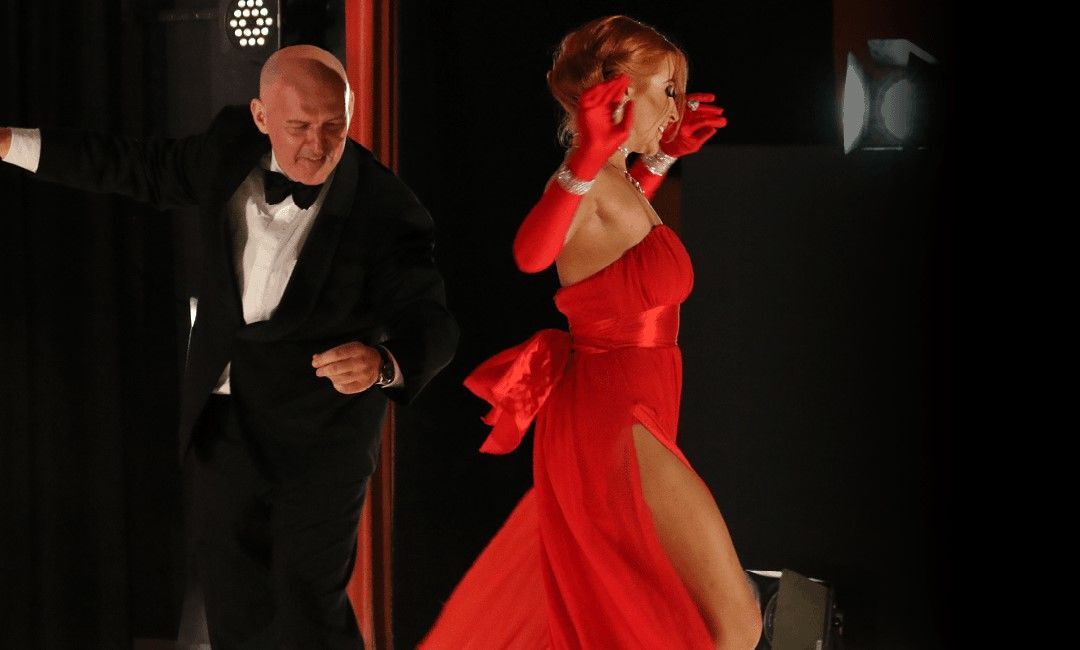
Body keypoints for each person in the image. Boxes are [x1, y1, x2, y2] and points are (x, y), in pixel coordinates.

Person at [0, 45, 457, 648]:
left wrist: (385, 364)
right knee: (233, 601)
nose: (317, 145)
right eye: (299, 126)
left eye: (333, 125)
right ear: (261, 116)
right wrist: (8, 143)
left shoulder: (386, 207)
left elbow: (431, 319)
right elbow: (132, 166)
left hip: (321, 437)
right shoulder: (227, 149)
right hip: (224, 422)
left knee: (306, 605)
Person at [421, 16, 761, 649]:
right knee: (731, 622)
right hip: (613, 418)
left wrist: (663, 156)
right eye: (666, 90)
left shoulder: (616, 181)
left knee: (668, 618)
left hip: (631, 408)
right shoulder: (584, 180)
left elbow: (623, 239)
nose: (676, 108)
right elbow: (531, 253)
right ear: (617, 92)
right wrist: (584, 157)